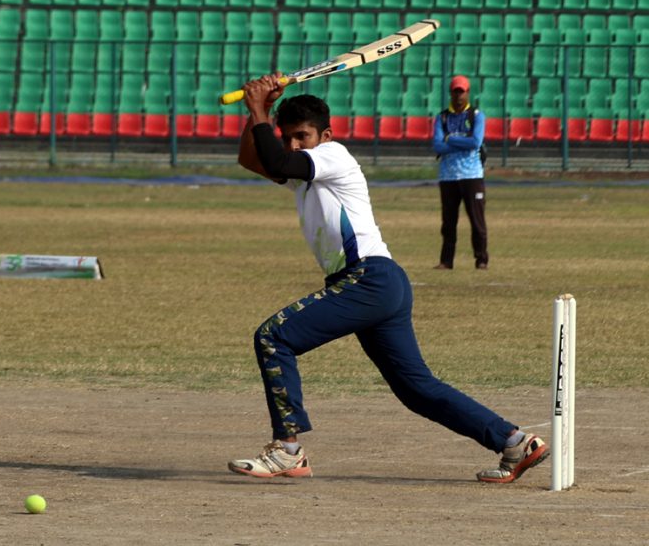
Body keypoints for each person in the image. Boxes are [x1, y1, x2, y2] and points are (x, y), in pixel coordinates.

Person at [228, 73, 548, 483]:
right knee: (416, 388)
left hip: (369, 280)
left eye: (301, 136)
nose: (292, 144)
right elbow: (253, 159)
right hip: (378, 284)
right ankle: (515, 442)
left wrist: (259, 109)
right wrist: (259, 111)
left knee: (274, 336)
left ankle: (288, 450)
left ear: (325, 134)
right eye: (286, 136)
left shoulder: (333, 155)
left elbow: (275, 159)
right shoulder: (302, 166)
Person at [432, 75, 489, 270]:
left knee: (477, 221)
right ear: (451, 92)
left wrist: (450, 139)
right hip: (448, 176)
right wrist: (458, 142)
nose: (459, 96)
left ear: (468, 92)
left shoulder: (476, 116)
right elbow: (438, 146)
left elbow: (476, 142)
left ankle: (481, 259)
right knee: (448, 222)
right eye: (456, 91)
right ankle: (446, 261)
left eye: (462, 91)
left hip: (472, 175)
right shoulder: (442, 117)